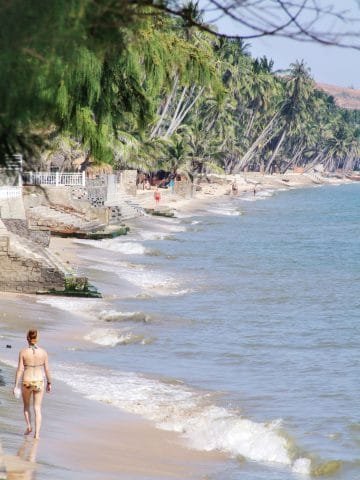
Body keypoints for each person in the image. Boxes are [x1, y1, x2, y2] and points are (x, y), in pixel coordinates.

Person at [13, 329, 52, 439]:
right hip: (39, 381)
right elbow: (47, 369)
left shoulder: (23, 352)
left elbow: (20, 369)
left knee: (26, 406)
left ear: (27, 338)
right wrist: (49, 382)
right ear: (37, 338)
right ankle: (37, 434)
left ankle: (29, 426)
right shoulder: (43, 352)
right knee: (37, 408)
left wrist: (16, 385)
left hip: (27, 381)